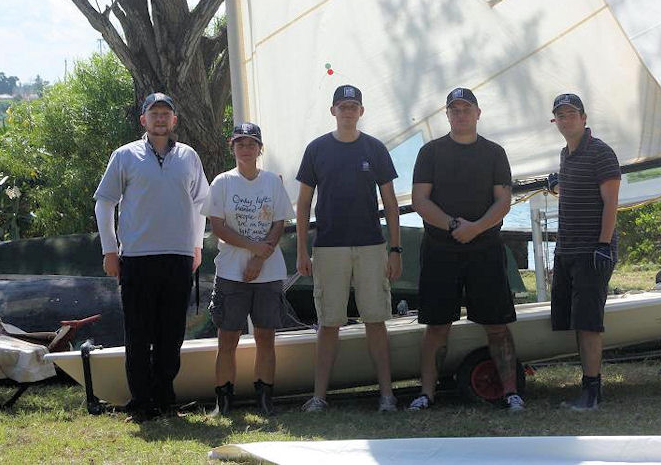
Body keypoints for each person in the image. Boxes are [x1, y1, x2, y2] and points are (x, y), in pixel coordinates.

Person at [407, 87, 524, 412]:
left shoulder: (494, 153)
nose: (460, 115)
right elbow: (420, 199)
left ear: (477, 113)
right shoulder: (430, 152)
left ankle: (511, 392)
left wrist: (476, 228)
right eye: (454, 110)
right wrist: (453, 226)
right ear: (447, 114)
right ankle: (427, 394)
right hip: (440, 251)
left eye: (466, 109)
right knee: (437, 326)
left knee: (497, 326)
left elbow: (503, 200)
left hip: (485, 249)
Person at [94, 92, 208, 420]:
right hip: (137, 259)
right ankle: (141, 403)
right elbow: (104, 203)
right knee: (139, 333)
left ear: (174, 121)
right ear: (143, 119)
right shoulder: (125, 156)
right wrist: (110, 250)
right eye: (154, 113)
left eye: (166, 114)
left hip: (178, 257)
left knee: (171, 334)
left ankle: (164, 399)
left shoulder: (189, 156)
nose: (160, 118)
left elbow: (202, 203)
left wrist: (196, 245)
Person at [296, 85, 402, 412]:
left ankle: (387, 396)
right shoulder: (316, 149)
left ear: (361, 111)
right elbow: (302, 205)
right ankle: (319, 397)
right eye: (342, 106)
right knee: (329, 322)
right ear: (333, 111)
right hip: (328, 246)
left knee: (375, 319)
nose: (347, 111)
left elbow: (390, 201)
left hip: (371, 244)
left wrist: (395, 249)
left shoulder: (374, 148)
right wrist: (302, 250)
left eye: (353, 106)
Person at [202, 122, 295, 416]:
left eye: (251, 144)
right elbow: (218, 226)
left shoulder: (271, 182)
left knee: (265, 337)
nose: (246, 149)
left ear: (260, 149)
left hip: (268, 273)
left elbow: (280, 221)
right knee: (227, 338)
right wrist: (252, 248)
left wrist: (260, 258)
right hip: (231, 272)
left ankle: (265, 399)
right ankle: (224, 401)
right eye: (240, 143)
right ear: (232, 147)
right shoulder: (222, 183)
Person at [547, 93, 621, 411]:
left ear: (584, 117)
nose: (566, 120)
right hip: (567, 251)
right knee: (577, 322)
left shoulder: (601, 153)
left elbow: (611, 202)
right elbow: (577, 189)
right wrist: (556, 186)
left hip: (593, 252)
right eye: (560, 116)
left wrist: (603, 246)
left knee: (590, 324)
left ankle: (592, 393)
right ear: (555, 121)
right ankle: (587, 389)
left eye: (571, 114)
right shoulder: (567, 154)